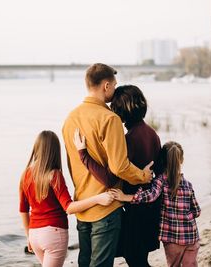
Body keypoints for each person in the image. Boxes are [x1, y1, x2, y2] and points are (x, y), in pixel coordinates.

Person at [62, 63, 153, 267]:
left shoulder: (70, 119)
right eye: (114, 84)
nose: (114, 88)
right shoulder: (110, 119)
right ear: (106, 86)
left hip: (83, 204)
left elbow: (71, 164)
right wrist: (143, 176)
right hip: (106, 206)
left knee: (84, 262)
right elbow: (119, 167)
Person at [19, 130, 115, 267]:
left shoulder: (25, 175)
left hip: (34, 235)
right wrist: (98, 198)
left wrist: (29, 236)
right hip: (53, 234)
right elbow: (69, 208)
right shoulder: (54, 175)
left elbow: (23, 210)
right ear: (54, 151)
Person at [110, 141, 201, 267]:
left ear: (162, 161)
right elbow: (197, 211)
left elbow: (150, 196)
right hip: (192, 237)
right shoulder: (188, 185)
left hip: (173, 239)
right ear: (182, 160)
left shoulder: (160, 181)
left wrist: (126, 197)